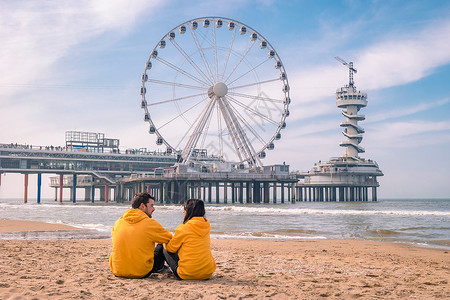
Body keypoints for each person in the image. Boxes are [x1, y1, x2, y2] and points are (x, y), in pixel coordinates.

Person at [109, 192, 172, 278]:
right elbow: (170, 239)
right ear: (142, 206)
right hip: (141, 271)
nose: (154, 209)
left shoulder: (118, 222)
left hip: (117, 270)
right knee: (162, 244)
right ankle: (159, 267)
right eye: (151, 206)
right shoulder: (150, 224)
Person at [163, 199, 216, 280]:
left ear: (188, 211)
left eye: (184, 210)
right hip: (207, 273)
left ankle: (158, 268)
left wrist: (165, 241)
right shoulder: (206, 226)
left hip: (186, 274)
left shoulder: (183, 228)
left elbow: (171, 248)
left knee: (164, 247)